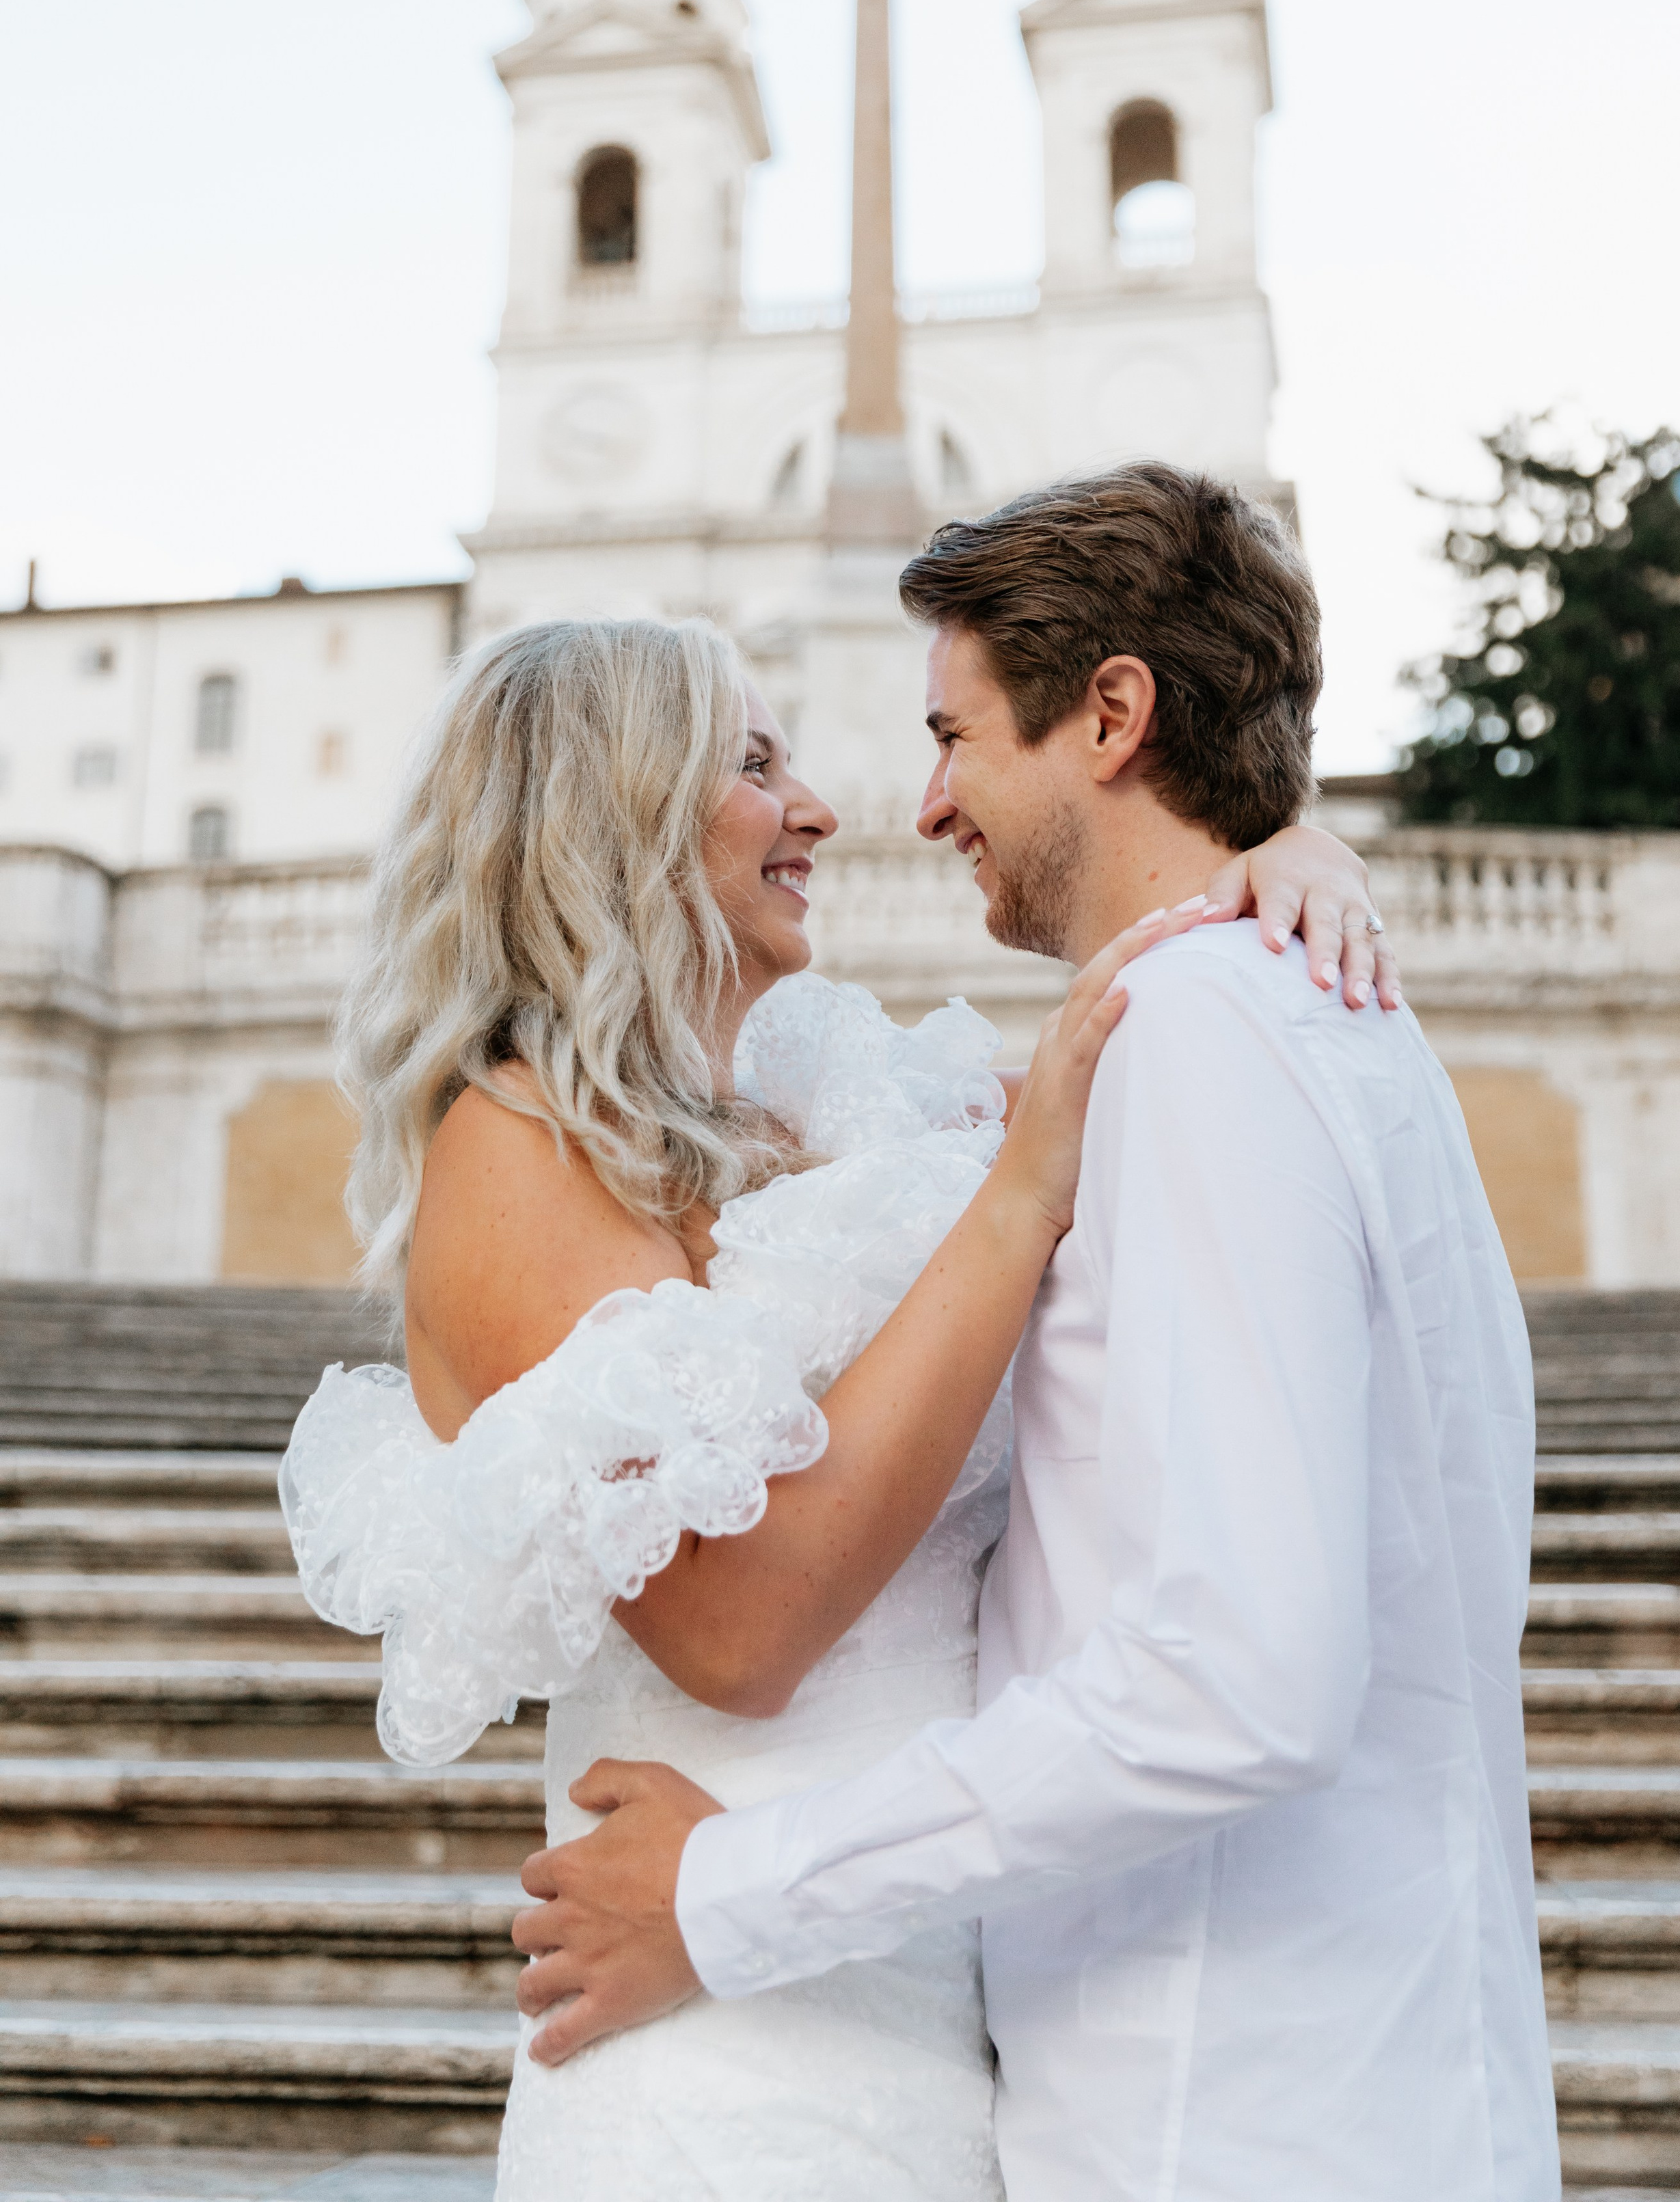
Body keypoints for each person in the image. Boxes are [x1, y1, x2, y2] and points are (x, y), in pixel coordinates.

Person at [509, 466, 1561, 2202]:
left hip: (1226, 2121)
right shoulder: (1303, 1019)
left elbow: (1237, 1680)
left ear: (1112, 716)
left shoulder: (1215, 1040)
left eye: (956, 736)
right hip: (1327, 2083)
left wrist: (730, 1892)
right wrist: (1281, 838)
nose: (922, 806)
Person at [278, 596, 1393, 2201]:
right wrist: (1012, 1200)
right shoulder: (505, 1156)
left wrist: (1281, 859)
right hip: (720, 2055)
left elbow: (1147, 1072)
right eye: (749, 763)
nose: (817, 808)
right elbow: (743, 1629)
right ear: (611, 816)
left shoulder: (824, 1096)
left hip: (931, 1988)